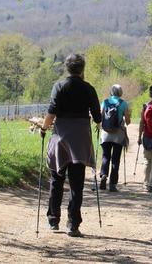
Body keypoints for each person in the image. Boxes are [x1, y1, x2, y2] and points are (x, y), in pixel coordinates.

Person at [39, 54, 101, 237]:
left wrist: (43, 128)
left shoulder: (58, 86)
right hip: (80, 140)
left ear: (67, 68)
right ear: (82, 69)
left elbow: (51, 113)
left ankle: (53, 220)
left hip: (61, 138)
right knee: (77, 183)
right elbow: (98, 118)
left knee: (56, 180)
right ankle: (73, 224)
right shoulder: (88, 88)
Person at [98, 84, 130, 192]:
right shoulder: (123, 103)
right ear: (120, 92)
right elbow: (129, 121)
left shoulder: (105, 102)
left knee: (105, 156)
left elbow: (99, 116)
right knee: (116, 159)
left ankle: (103, 175)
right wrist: (124, 121)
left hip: (105, 134)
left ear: (111, 92)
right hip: (118, 135)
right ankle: (112, 184)